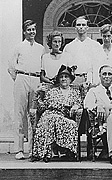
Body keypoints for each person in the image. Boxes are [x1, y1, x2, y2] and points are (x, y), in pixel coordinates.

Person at [8, 20, 44, 160]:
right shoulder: (18, 47)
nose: (32, 32)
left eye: (33, 29)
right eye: (29, 30)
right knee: (20, 114)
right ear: (24, 31)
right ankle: (19, 149)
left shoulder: (40, 48)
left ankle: (33, 149)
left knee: (33, 114)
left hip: (35, 79)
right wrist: (18, 80)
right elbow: (11, 67)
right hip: (22, 78)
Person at [31, 65, 82, 162]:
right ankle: (45, 152)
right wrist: (37, 95)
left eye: (66, 77)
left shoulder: (75, 92)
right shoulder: (52, 91)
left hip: (64, 116)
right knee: (51, 119)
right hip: (49, 114)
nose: (63, 79)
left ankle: (63, 151)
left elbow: (78, 103)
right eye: (61, 77)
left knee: (64, 122)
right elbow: (43, 107)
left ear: (70, 79)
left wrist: (76, 106)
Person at [63, 16, 103, 86]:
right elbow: (65, 66)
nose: (81, 27)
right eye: (78, 25)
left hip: (91, 80)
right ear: (75, 28)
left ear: (87, 28)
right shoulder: (69, 47)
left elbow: (99, 65)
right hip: (74, 80)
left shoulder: (95, 45)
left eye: (83, 25)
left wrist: (94, 80)